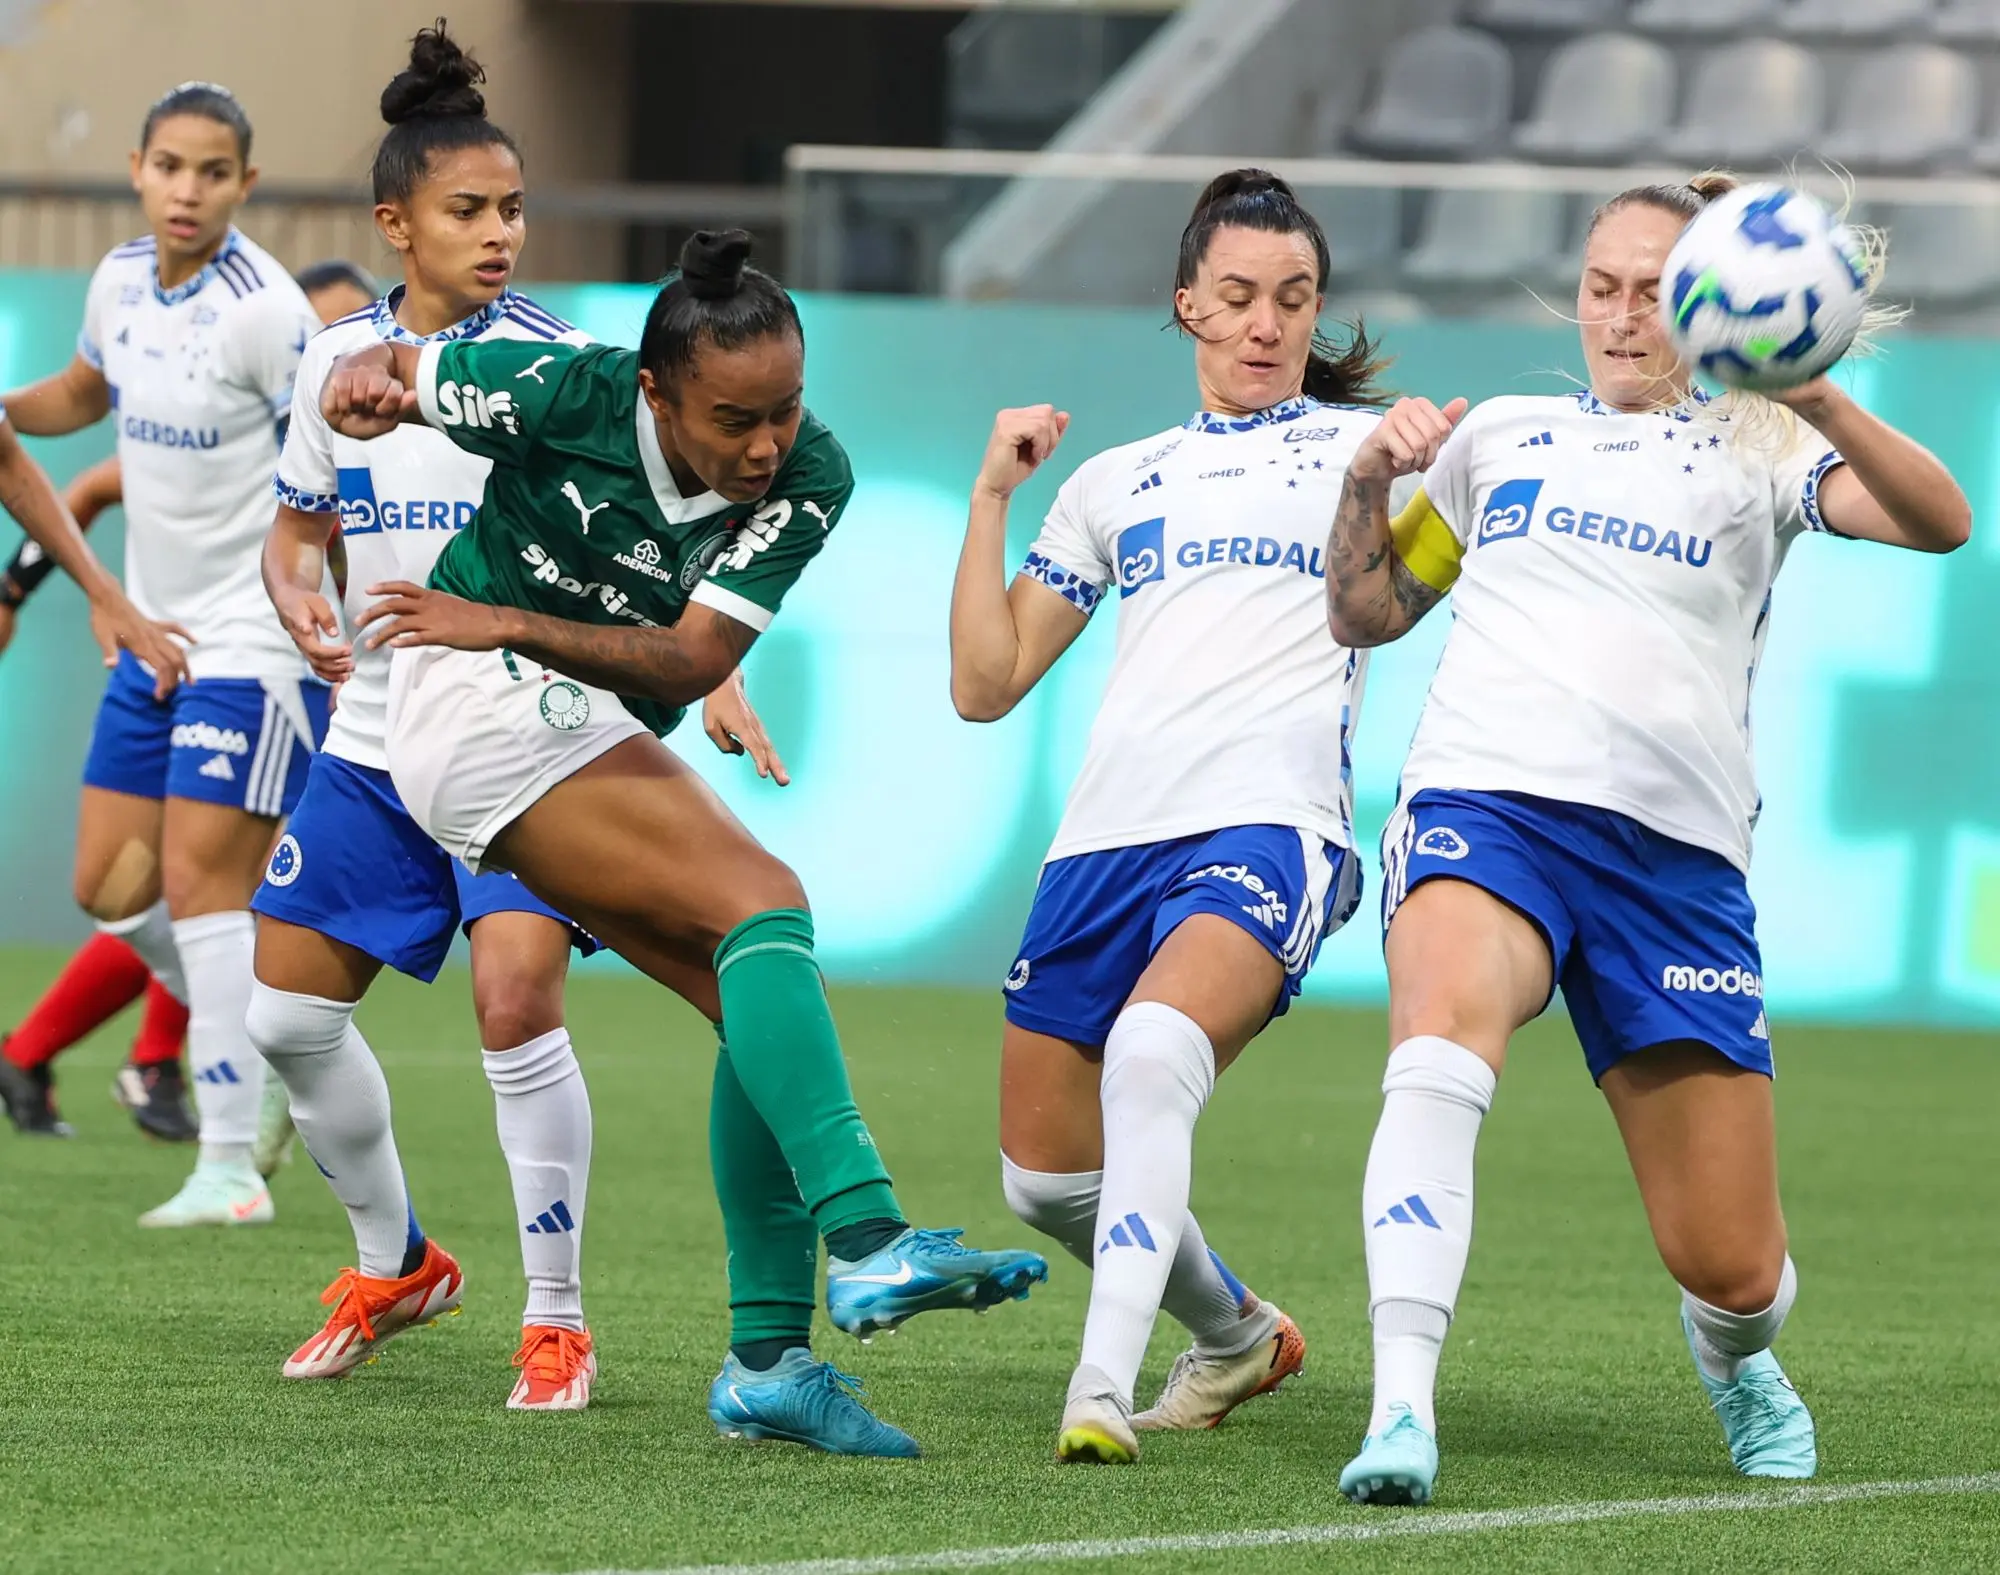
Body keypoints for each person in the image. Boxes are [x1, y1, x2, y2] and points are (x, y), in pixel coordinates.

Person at [316, 226, 1048, 1456]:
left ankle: (767, 1363)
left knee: (748, 988)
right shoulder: (574, 389)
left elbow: (697, 658)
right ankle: (866, 1240)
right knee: (766, 898)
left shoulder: (813, 473)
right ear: (656, 394)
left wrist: (500, 610)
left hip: (544, 683)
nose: (764, 444)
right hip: (469, 700)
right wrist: (365, 381)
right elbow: (403, 365)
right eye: (733, 418)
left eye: (784, 406)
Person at [1320, 175, 1970, 1506]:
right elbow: (1372, 611)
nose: (1620, 317)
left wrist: (1816, 391)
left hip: (1676, 866)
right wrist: (1364, 480)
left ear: (1705, 308)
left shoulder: (1766, 451)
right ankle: (1400, 1405)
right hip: (1487, 807)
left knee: (1735, 1269)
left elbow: (1940, 520)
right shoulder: (1500, 438)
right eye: (1602, 286)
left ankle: (1734, 1354)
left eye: (1653, 292)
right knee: (1440, 1046)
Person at [246, 24, 782, 1413]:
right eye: (468, 211)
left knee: (515, 993)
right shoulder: (330, 368)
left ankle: (557, 1316)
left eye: (513, 209)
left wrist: (711, 674)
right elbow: (296, 532)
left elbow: (666, 550)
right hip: (373, 744)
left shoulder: (570, 368)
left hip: (518, 731)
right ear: (394, 223)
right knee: (285, 1018)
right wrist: (301, 597)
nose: (500, 234)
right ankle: (398, 1259)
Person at [948, 170, 1382, 1464]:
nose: (1265, 325)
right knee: (1043, 1175)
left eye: (1293, 301)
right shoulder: (1115, 482)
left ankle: (1098, 1385)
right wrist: (991, 498)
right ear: (1187, 302)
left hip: (1271, 824)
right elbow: (985, 683)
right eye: (1239, 296)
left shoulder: (1369, 461)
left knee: (1152, 1056)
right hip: (1104, 843)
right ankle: (1240, 1333)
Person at [0, 81, 326, 1226]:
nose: (187, 189)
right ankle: (285, 1052)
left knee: (198, 885)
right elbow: (85, 393)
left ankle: (230, 1166)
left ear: (245, 183)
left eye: (212, 171)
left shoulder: (266, 312)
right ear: (138, 167)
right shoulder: (120, 280)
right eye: (169, 167)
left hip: (252, 638)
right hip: (148, 632)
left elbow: (336, 462)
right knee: (110, 887)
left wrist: (329, 607)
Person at [0, 261, 376, 1145]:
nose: (332, 365)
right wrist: (17, 590)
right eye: (320, 341)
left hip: (304, 672)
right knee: (164, 887)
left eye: (349, 342)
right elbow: (90, 488)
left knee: (217, 888)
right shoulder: (231, 427)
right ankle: (190, 1054)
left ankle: (152, 1063)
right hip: (220, 660)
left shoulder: (370, 450)